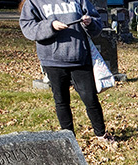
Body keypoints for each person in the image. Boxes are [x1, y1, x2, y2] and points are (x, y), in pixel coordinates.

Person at [19, 0, 113, 142]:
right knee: (61, 101)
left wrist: (90, 23)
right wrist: (50, 26)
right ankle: (68, 138)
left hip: (80, 58)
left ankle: (101, 134)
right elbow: (28, 27)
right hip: (52, 61)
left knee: (91, 98)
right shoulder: (33, 2)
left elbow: (97, 23)